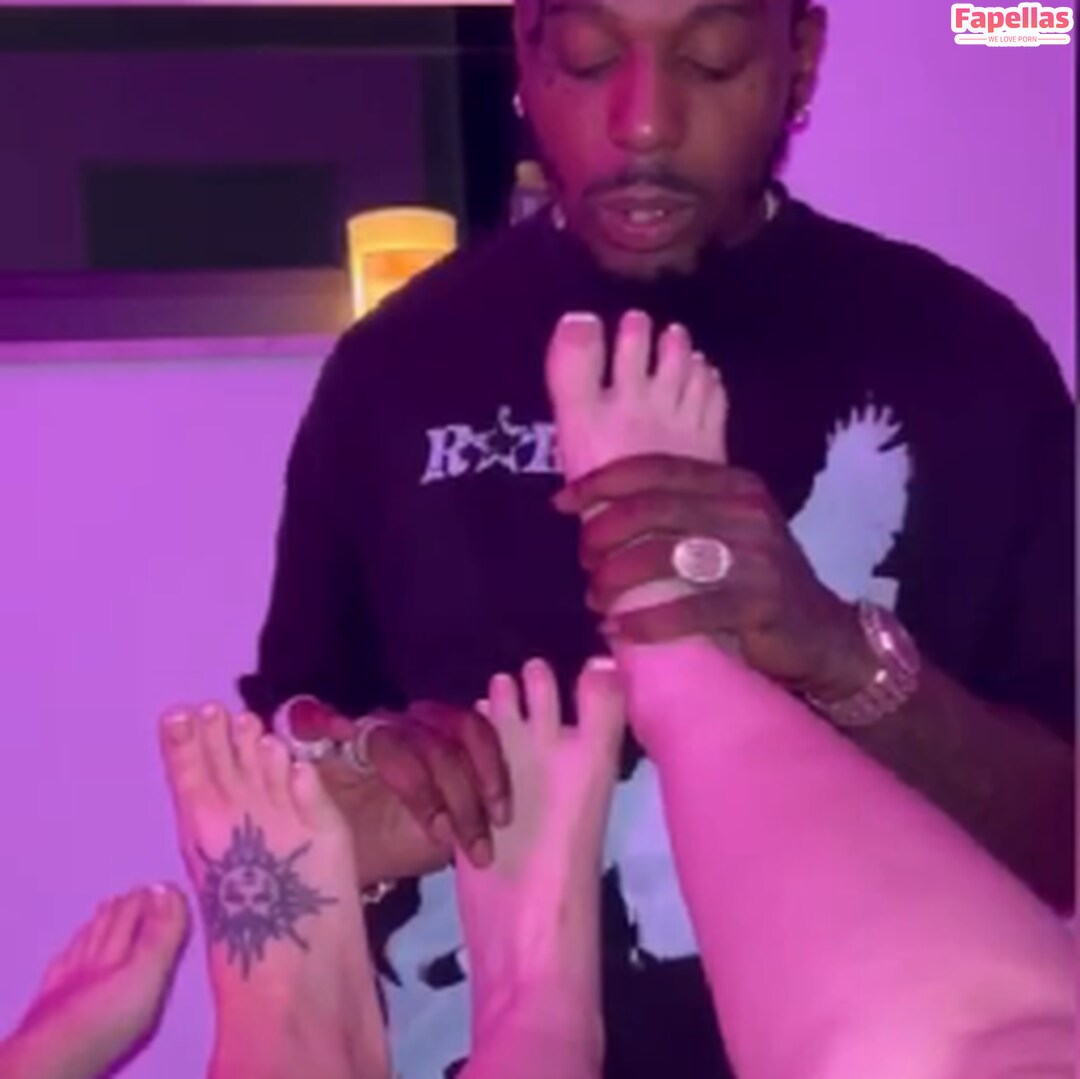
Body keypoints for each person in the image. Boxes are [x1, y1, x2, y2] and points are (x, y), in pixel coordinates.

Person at [239, 0, 1075, 1075]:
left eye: (710, 62)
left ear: (800, 57)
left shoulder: (963, 360)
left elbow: (1059, 844)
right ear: (525, 53)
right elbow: (283, 761)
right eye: (589, 61)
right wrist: (362, 765)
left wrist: (836, 650)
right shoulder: (396, 369)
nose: (643, 123)